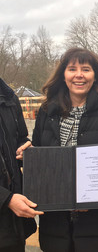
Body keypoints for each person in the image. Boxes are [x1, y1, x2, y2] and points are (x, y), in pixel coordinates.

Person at [32, 48, 98, 252]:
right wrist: (28, 156)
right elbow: (39, 156)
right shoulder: (47, 111)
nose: (79, 75)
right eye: (72, 69)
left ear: (95, 76)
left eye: (86, 69)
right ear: (63, 75)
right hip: (56, 228)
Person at [0, 78, 43, 252]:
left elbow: (20, 138)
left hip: (13, 225)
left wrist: (27, 150)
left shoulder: (8, 98)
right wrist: (6, 199)